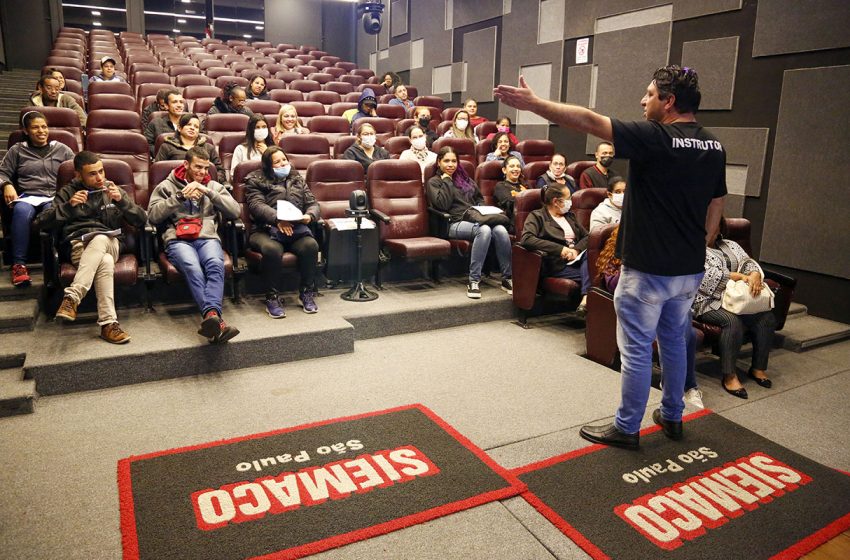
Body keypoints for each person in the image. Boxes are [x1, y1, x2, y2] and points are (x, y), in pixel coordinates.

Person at [495, 64, 726, 448]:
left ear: (668, 101)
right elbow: (717, 201)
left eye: (649, 94)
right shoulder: (714, 145)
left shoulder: (656, 137)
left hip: (648, 269)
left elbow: (587, 120)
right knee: (672, 341)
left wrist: (536, 105)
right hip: (688, 269)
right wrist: (703, 243)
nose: (643, 100)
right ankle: (672, 416)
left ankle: (627, 427)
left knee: (635, 350)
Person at [598, 226, 704, 409]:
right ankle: (673, 412)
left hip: (655, 280)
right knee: (668, 343)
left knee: (684, 336)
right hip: (669, 280)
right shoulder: (616, 259)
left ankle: (628, 426)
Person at [50, 151, 146, 343]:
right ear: (78, 175)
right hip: (80, 246)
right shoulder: (67, 193)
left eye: (101, 171)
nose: (100, 177)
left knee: (101, 239)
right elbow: (41, 223)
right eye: (92, 173)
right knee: (105, 261)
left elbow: (142, 219)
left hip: (111, 242)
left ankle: (72, 297)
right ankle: (108, 325)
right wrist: (68, 207)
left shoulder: (113, 189)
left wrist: (123, 202)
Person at [147, 147, 241, 343]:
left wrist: (208, 192)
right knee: (192, 268)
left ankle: (211, 318)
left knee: (216, 265)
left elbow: (235, 212)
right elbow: (153, 216)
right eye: (198, 167)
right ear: (186, 164)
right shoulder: (166, 186)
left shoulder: (213, 185)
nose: (202, 172)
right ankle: (215, 318)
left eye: (206, 168)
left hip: (207, 237)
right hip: (178, 239)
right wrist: (179, 197)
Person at [693, 217, 775, 400]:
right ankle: (729, 375)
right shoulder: (693, 247)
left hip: (738, 299)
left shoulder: (730, 244)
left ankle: (758, 368)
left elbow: (748, 262)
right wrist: (739, 277)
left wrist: (753, 274)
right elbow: (702, 278)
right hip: (707, 300)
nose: (711, 229)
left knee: (766, 318)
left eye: (715, 226)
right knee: (732, 321)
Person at [426, 146, 512, 299]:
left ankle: (507, 278)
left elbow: (479, 198)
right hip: (453, 222)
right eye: (446, 161)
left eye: (454, 161)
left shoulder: (466, 180)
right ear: (439, 162)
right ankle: (474, 280)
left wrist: (480, 209)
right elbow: (443, 205)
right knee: (484, 230)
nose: (450, 164)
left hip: (474, 218)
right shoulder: (434, 182)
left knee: (500, 229)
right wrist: (447, 182)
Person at [245, 146, 321, 317]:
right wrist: (278, 219)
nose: (282, 164)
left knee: (310, 245)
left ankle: (306, 292)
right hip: (264, 230)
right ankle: (272, 297)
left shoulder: (296, 178)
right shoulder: (255, 179)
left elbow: (312, 202)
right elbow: (256, 206)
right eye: (277, 162)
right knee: (273, 249)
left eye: (284, 160)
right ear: (267, 166)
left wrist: (310, 215)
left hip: (295, 229)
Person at [1, 111, 75, 286]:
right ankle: (19, 265)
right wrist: (6, 185)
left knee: (53, 212)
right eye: (35, 127)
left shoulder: (62, 148)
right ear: (26, 131)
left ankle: (56, 262)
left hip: (55, 196)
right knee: (20, 211)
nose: (41, 131)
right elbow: (2, 172)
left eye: (44, 127)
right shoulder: (17, 150)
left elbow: (77, 169)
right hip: (29, 196)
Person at [519, 182, 590, 314]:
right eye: (568, 199)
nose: (571, 202)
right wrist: (560, 249)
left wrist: (576, 250)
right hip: (556, 264)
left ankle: (586, 300)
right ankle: (588, 301)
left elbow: (587, 237)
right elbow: (527, 239)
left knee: (591, 257)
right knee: (597, 274)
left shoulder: (570, 216)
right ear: (556, 201)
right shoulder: (537, 216)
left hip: (576, 260)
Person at [154, 113, 227, 185]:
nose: (192, 128)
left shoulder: (208, 148)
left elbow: (220, 171)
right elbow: (158, 172)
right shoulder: (167, 147)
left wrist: (207, 182)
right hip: (175, 186)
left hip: (204, 185)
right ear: (179, 128)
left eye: (196, 127)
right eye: (188, 125)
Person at [144, 88, 184, 156]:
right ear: (166, 106)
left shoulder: (192, 122)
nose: (179, 105)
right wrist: (164, 154)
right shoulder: (155, 123)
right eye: (174, 102)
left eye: (181, 102)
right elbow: (147, 145)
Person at [493, 155, 526, 221]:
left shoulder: (525, 185)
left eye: (518, 166)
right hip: (513, 221)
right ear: (504, 170)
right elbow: (509, 204)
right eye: (512, 166)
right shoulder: (500, 186)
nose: (516, 169)